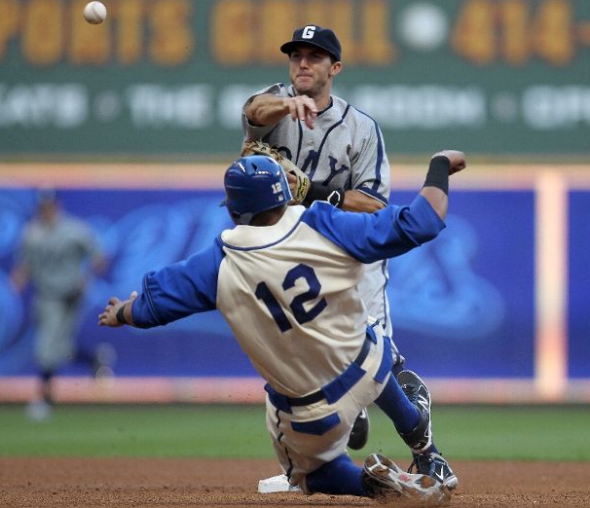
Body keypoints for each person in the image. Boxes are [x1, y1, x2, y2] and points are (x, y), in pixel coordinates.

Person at [98, 151, 466, 502]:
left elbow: (148, 310)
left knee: (314, 475)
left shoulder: (218, 264)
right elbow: (424, 220)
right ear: (285, 193)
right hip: (369, 364)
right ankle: (414, 423)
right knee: (366, 333)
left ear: (235, 209)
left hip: (312, 413)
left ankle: (377, 486)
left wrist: (121, 312)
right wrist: (438, 166)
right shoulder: (324, 223)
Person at [241, 24, 458, 489]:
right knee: (293, 358)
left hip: (349, 259)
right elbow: (252, 111)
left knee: (382, 366)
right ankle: (325, 445)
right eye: (296, 54)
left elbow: (374, 206)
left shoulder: (360, 129)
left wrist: (314, 191)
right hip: (288, 259)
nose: (303, 62)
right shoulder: (274, 108)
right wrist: (286, 104)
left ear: (334, 68)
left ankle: (429, 455)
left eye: (315, 56)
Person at [11, 189, 111, 421]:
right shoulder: (31, 233)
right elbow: (24, 266)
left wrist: (85, 278)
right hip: (46, 296)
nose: (46, 209)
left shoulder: (73, 230)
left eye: (50, 204)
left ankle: (45, 399)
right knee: (54, 348)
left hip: (71, 295)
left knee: (49, 348)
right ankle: (94, 358)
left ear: (57, 204)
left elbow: (99, 257)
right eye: (43, 205)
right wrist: (16, 282)